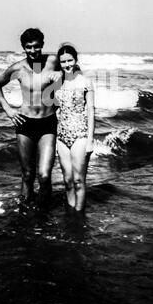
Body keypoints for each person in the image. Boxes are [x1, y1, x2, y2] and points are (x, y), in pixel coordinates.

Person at [0, 28, 60, 206]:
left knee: (44, 175)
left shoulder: (52, 61)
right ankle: (25, 214)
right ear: (23, 47)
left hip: (47, 123)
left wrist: (62, 74)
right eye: (28, 47)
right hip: (25, 124)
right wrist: (8, 110)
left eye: (36, 46)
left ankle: (44, 214)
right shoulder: (18, 68)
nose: (33, 51)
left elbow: (74, 69)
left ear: (42, 45)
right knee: (28, 175)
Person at [55, 44, 95, 212]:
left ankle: (80, 216)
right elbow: (54, 107)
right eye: (63, 61)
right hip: (61, 136)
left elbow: (91, 111)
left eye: (70, 60)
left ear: (76, 60)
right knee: (67, 180)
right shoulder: (57, 83)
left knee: (79, 180)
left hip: (80, 135)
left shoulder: (85, 81)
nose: (67, 64)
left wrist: (90, 141)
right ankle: (71, 214)